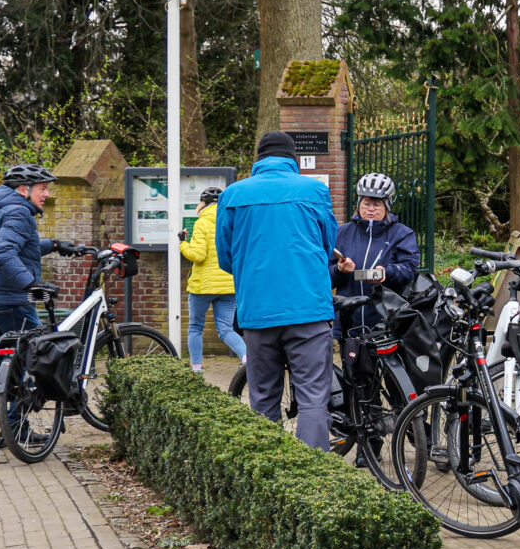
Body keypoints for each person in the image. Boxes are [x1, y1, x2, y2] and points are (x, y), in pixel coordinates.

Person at [218, 132, 338, 450]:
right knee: (313, 397)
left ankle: (272, 470)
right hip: (308, 310)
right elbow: (327, 247)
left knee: (263, 400)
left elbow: (226, 258)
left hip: (258, 312)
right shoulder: (315, 190)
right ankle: (313, 473)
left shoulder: (232, 195)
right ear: (292, 159)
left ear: (258, 159)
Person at [0, 163, 62, 454]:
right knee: (32, 359)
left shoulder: (1, 207)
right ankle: (16, 426)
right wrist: (31, 284)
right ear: (23, 189)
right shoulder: (19, 212)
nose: (47, 194)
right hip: (9, 301)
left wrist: (55, 245)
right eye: (42, 188)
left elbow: (20, 246)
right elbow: (4, 252)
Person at [331, 172, 421, 360]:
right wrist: (339, 270)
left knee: (392, 373)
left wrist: (387, 272)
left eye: (377, 204)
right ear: (358, 204)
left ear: (387, 206)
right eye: (366, 204)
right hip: (350, 322)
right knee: (353, 374)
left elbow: (409, 269)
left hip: (387, 320)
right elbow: (324, 276)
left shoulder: (402, 234)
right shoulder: (341, 233)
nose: (371, 209)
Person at [176, 185, 244, 375]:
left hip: (203, 287)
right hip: (228, 285)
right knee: (226, 329)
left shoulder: (202, 222)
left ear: (203, 204)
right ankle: (247, 358)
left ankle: (196, 369)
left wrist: (183, 243)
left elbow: (198, 255)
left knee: (195, 327)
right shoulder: (233, 222)